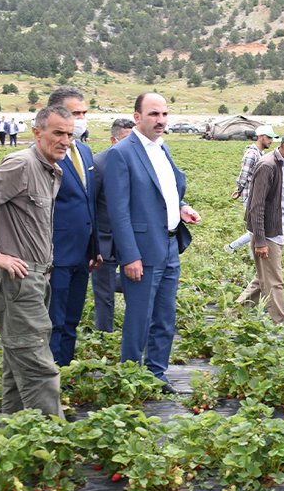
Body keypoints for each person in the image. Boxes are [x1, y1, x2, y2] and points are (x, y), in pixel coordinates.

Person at [0, 105, 74, 419]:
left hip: (34, 278)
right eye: (57, 133)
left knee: (17, 361)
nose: (65, 140)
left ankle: (12, 429)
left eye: (69, 134)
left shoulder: (51, 169)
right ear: (37, 132)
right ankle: (51, 443)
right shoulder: (22, 164)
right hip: (17, 282)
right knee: (38, 366)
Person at [103, 93, 201, 392]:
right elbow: (118, 211)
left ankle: (157, 374)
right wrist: (129, 256)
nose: (160, 120)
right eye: (153, 114)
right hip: (143, 251)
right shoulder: (122, 153)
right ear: (137, 117)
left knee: (165, 316)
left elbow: (165, 191)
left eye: (164, 114)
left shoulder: (162, 147)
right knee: (139, 318)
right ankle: (131, 377)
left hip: (170, 245)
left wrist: (181, 207)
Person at [44, 87, 98, 367]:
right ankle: (48, 378)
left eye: (83, 113)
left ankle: (63, 370)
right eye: (75, 113)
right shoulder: (43, 155)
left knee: (72, 318)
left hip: (82, 254)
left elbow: (89, 202)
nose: (80, 119)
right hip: (56, 254)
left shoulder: (85, 152)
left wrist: (96, 247)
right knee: (54, 320)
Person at [237, 129, 284, 323]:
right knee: (275, 281)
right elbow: (256, 206)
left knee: (263, 279)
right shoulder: (267, 166)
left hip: (278, 230)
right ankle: (281, 322)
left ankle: (235, 312)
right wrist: (260, 241)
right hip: (267, 233)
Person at [91, 118, 135, 333]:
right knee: (104, 296)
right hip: (104, 239)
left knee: (135, 283)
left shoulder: (138, 162)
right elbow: (89, 205)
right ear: (113, 139)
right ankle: (104, 336)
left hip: (131, 239)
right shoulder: (99, 164)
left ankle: (134, 331)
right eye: (126, 139)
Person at [225, 125, 279, 254]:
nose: (271, 141)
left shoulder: (261, 154)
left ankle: (250, 255)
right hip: (250, 194)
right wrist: (238, 189)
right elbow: (244, 173)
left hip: (257, 195)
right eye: (269, 137)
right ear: (260, 137)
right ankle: (232, 247)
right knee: (256, 229)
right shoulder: (251, 154)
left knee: (256, 228)